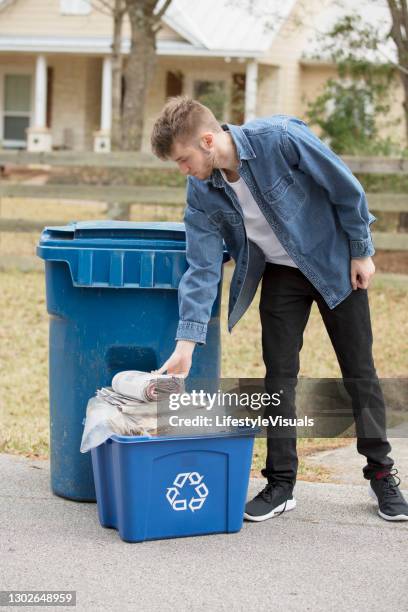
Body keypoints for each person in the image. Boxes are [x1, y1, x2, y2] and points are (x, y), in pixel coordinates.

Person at [150, 95, 408, 523]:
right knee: (279, 377)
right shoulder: (201, 190)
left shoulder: (281, 139)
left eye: (183, 159)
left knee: (359, 371)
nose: (184, 170)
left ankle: (381, 473)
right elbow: (201, 267)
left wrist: (361, 251)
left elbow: (346, 188)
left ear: (208, 141)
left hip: (334, 264)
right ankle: (282, 483)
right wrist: (186, 342)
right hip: (281, 277)